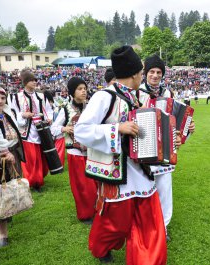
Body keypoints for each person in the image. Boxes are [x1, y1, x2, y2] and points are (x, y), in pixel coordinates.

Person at [74, 46, 171, 264]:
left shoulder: (140, 97)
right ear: (136, 73)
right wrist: (117, 128)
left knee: (149, 223)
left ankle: (148, 260)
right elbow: (81, 131)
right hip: (116, 176)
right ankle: (101, 248)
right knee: (114, 224)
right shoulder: (103, 97)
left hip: (143, 172)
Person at [136, 54, 195, 241]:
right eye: (151, 71)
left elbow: (175, 121)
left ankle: (163, 226)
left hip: (165, 150)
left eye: (158, 72)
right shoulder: (136, 92)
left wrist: (186, 130)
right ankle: (142, 226)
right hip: (142, 148)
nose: (155, 75)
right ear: (145, 73)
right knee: (143, 191)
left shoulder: (168, 94)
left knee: (164, 190)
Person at [51, 77, 97, 224]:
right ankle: (85, 214)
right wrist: (65, 128)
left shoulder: (91, 107)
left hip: (91, 151)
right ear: (72, 92)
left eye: (84, 88)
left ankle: (96, 209)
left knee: (94, 183)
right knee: (82, 186)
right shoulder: (65, 109)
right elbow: (53, 128)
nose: (83, 91)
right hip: (75, 153)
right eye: (79, 89)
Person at [11, 70, 53, 191]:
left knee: (41, 156)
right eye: (31, 80)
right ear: (25, 82)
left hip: (41, 130)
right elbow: (14, 113)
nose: (34, 82)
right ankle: (34, 181)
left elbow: (49, 110)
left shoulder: (41, 96)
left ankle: (39, 178)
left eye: (35, 80)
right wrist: (24, 115)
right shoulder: (17, 97)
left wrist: (49, 119)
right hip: (27, 132)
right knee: (31, 158)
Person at [0, 85, 26, 248]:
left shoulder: (7, 113)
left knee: (7, 189)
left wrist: (10, 152)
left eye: (2, 98)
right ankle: (3, 234)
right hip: (1, 157)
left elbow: (15, 129)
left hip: (9, 156)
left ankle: (4, 227)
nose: (0, 101)